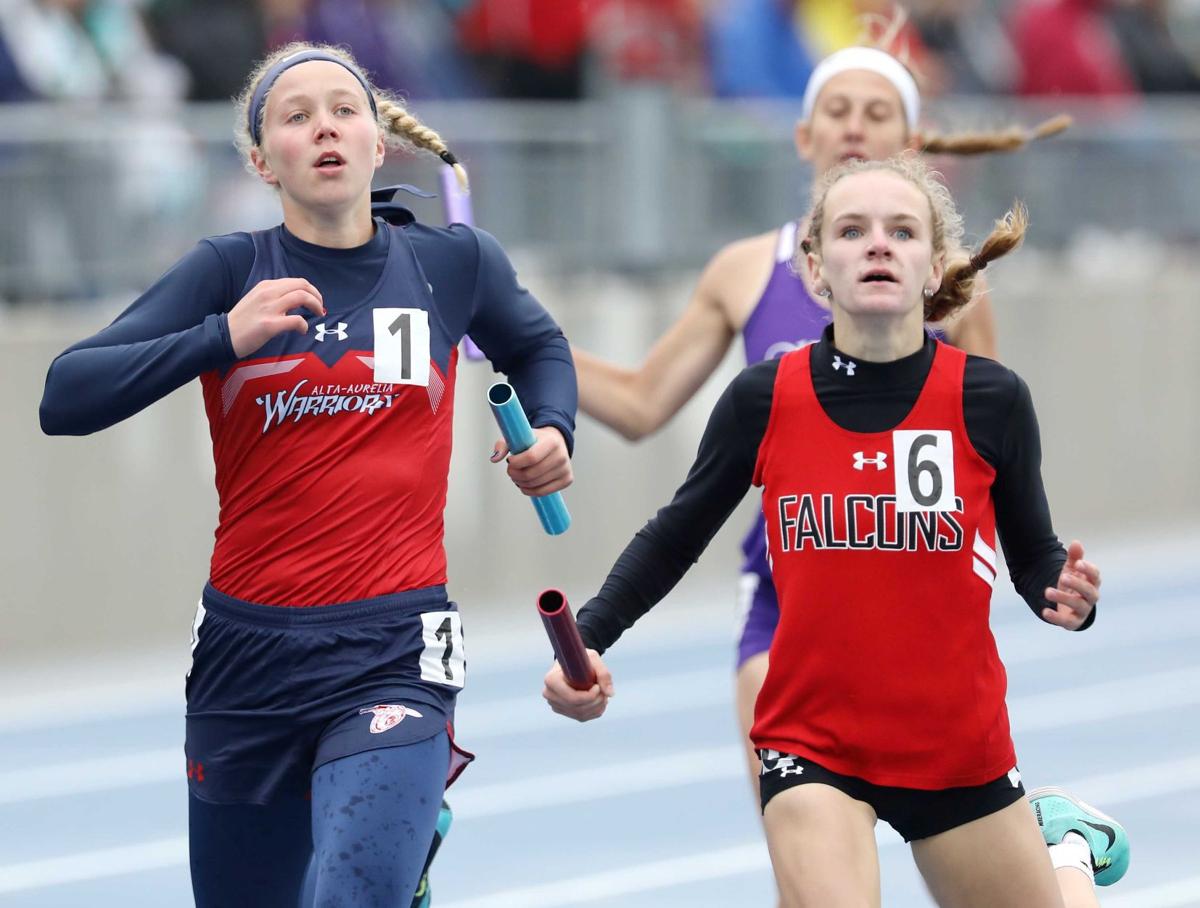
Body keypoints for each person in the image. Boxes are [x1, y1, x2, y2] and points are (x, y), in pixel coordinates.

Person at [39, 42, 577, 908]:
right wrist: (221, 338)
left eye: (343, 110)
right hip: (244, 658)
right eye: (296, 117)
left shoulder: (450, 263)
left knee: (350, 897)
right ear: (261, 160)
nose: (323, 126)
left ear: (377, 142)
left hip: (394, 648)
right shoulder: (228, 271)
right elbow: (64, 395)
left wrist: (552, 430)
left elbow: (541, 346)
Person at [545, 154, 1126, 906]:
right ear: (815, 272)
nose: (878, 244)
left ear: (933, 268)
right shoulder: (764, 400)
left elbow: (1035, 557)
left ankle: (1067, 850)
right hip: (811, 742)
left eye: (901, 231)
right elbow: (675, 534)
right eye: (852, 231)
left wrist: (1069, 596)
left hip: (956, 747)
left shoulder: (990, 400)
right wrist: (589, 636)